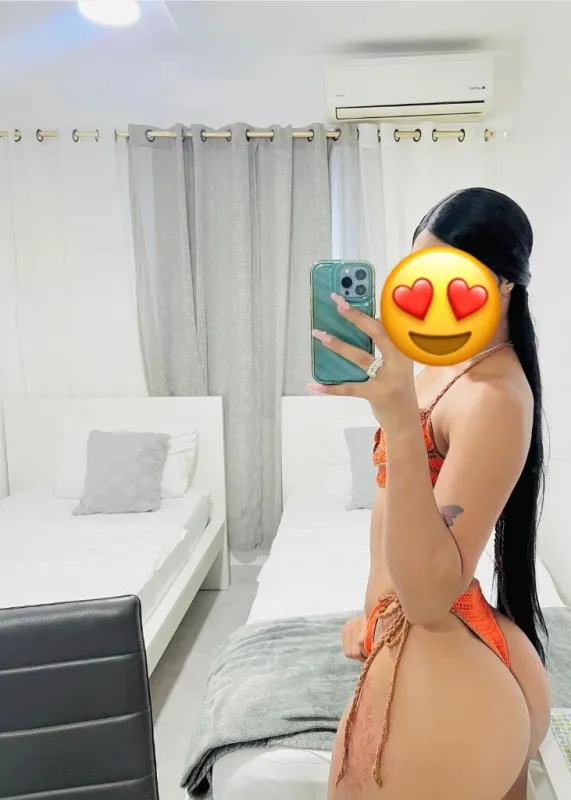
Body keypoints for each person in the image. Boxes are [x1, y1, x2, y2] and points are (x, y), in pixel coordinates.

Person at [309, 188, 551, 800]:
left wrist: (396, 420)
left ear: (504, 283)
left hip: (440, 656)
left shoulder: (495, 397)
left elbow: (427, 595)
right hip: (434, 646)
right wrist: (370, 613)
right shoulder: (445, 362)